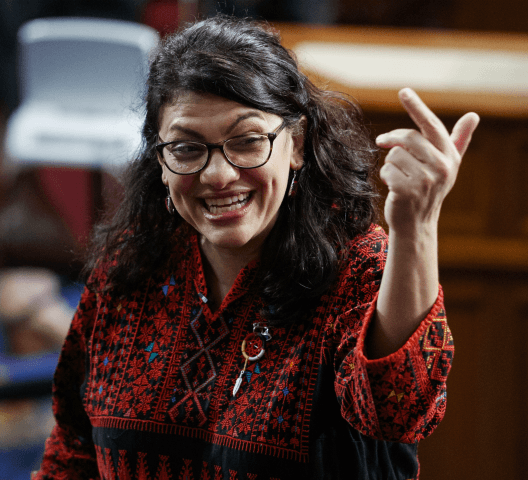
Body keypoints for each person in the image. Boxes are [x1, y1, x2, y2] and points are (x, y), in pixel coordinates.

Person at [32, 15, 479, 479]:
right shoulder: (130, 266)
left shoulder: (355, 267)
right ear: (159, 160)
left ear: (298, 144)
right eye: (186, 148)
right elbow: (72, 451)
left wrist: (416, 226)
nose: (219, 175)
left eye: (246, 142)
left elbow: (398, 412)